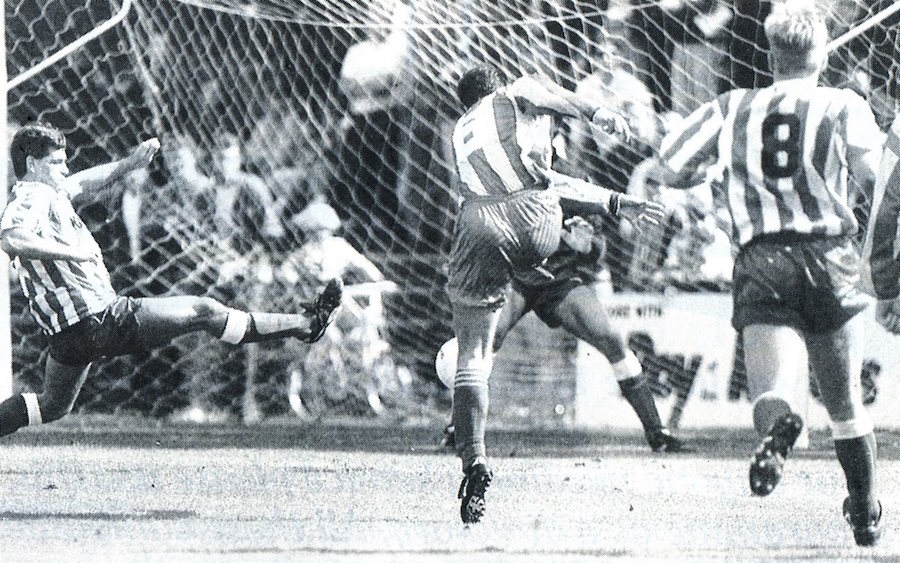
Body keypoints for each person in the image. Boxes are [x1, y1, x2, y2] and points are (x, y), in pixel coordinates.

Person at [646, 4, 883, 546]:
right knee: (845, 402)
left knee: (771, 389)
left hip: (763, 258)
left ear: (771, 54)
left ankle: (780, 429)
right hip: (830, 256)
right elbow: (874, 179)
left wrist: (712, 167)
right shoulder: (844, 105)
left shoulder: (732, 107)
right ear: (821, 54)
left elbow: (670, 164)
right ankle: (865, 513)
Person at [0, 122, 343, 438]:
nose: (66, 168)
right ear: (32, 164)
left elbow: (82, 182)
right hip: (97, 318)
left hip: (66, 334)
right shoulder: (33, 195)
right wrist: (70, 253)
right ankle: (304, 324)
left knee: (53, 405)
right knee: (203, 311)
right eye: (57, 162)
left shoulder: (51, 192)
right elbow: (10, 238)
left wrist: (127, 165)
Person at [447, 66, 666, 524]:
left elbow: (550, 203)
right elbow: (547, 172)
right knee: (489, 345)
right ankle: (460, 426)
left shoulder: (463, 132)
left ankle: (473, 450)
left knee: (472, 352)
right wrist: (598, 112)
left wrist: (595, 231)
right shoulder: (521, 99)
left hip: (514, 249)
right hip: (532, 241)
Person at [437, 215, 688, 453]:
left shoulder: (581, 190)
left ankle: (657, 433)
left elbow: (599, 251)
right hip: (516, 276)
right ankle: (459, 426)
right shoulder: (521, 178)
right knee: (491, 334)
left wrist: (586, 246)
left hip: (559, 280)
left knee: (610, 338)